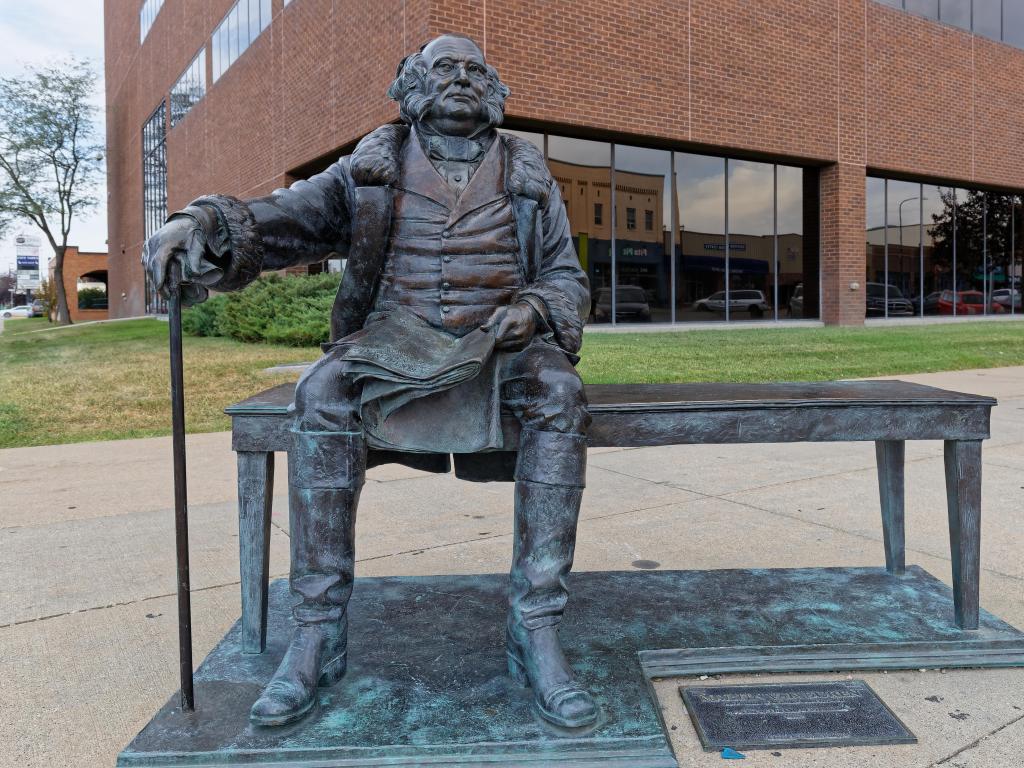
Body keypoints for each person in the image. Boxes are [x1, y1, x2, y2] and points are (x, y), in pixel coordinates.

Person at [144, 34, 596, 730]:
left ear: (495, 91)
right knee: (321, 392)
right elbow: (287, 216)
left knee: (562, 396)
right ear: (413, 83)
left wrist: (532, 310)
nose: (462, 80)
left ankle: (535, 628)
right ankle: (317, 634)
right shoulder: (371, 168)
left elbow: (565, 276)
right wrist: (200, 221)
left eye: (476, 71)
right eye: (445, 68)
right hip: (390, 343)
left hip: (500, 348)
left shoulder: (530, 173)